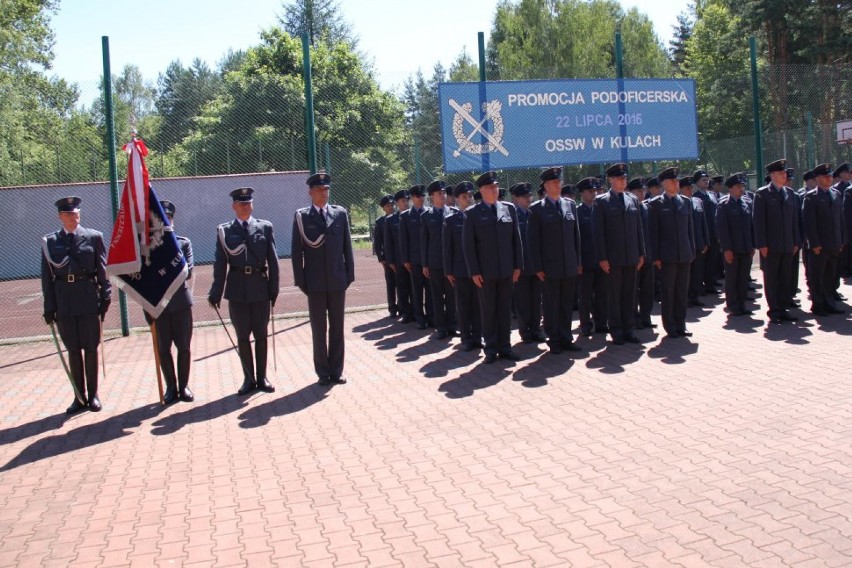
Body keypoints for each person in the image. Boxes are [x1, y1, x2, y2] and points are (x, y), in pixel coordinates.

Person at [41, 196, 111, 413]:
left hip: (88, 297)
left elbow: (102, 269)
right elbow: (47, 277)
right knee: (73, 350)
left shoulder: (93, 237)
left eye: (76, 212)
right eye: (69, 213)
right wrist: (49, 307)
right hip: (64, 301)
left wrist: (105, 295)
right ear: (61, 216)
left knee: (90, 348)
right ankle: (78, 397)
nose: (74, 216)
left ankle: (93, 396)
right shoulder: (50, 242)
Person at [208, 187, 279, 395]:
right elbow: (220, 265)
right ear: (233, 207)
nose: (245, 207)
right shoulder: (225, 231)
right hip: (237, 290)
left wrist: (273, 289)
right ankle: (248, 378)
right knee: (242, 336)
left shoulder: (264, 227)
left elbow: (273, 262)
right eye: (241, 204)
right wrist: (215, 291)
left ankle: (262, 377)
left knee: (261, 335)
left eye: (248, 203)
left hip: (260, 288)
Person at [292, 173, 355, 385]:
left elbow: (347, 246)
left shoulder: (339, 214)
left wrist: (349, 276)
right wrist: (301, 281)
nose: (323, 193)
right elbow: (296, 252)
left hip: (337, 281)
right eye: (319, 190)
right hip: (315, 283)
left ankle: (337, 370)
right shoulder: (302, 217)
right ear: (310, 193)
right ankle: (323, 372)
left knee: (337, 326)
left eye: (326, 189)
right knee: (319, 329)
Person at [463, 171, 523, 363]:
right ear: (481, 190)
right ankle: (490, 348)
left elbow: (516, 240)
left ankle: (505, 347)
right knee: (488, 310)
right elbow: (469, 246)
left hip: (506, 270)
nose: (495, 190)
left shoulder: (509, 209)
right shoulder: (472, 214)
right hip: (485, 272)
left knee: (504, 311)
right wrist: (474, 271)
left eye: (496, 186)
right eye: (490, 187)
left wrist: (517, 266)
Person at [528, 167, 582, 353]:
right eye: (553, 183)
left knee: (566, 304)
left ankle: (567, 337)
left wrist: (578, 261)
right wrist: (538, 267)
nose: (558, 185)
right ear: (545, 186)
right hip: (549, 267)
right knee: (551, 304)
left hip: (569, 264)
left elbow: (576, 236)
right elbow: (533, 242)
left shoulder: (570, 205)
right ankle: (554, 339)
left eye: (559, 182)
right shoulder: (537, 209)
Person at [146, 200, 194, 403]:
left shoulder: (183, 243)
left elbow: (188, 271)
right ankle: (171, 388)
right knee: (163, 349)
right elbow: (144, 279)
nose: (166, 222)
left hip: (180, 303)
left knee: (184, 347)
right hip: (159, 306)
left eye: (169, 218)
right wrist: (146, 307)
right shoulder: (147, 247)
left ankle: (184, 387)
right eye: (162, 219)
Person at [592, 163, 645, 345]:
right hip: (613, 258)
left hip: (631, 256)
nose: (624, 181)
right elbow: (598, 233)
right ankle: (616, 330)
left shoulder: (632, 200)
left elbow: (638, 229)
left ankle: (629, 329)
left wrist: (641, 253)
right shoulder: (602, 201)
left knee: (629, 294)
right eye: (620, 178)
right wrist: (602, 258)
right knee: (615, 295)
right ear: (611, 180)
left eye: (625, 178)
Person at [752, 159, 801, 324]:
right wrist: (762, 244)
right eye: (780, 173)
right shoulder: (762, 194)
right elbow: (758, 221)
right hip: (771, 246)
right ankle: (774, 310)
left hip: (787, 244)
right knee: (772, 279)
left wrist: (796, 241)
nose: (784, 175)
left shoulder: (789, 194)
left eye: (784, 172)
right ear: (772, 175)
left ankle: (783, 308)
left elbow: (794, 220)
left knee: (785, 278)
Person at [648, 168, 695, 338]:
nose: (677, 183)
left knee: (682, 291)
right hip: (666, 256)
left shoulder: (686, 202)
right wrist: (656, 257)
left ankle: (681, 323)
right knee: (668, 292)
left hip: (684, 254)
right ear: (664, 184)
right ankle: (670, 326)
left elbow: (690, 230)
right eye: (672, 181)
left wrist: (691, 251)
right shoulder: (655, 204)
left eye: (677, 180)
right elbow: (653, 233)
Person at [803, 163, 846, 316]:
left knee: (830, 276)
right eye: (825, 176)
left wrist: (841, 240)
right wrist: (814, 243)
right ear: (818, 178)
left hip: (834, 243)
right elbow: (809, 223)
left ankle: (829, 303)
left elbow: (840, 220)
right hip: (819, 245)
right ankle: (818, 304)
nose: (829, 179)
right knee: (817, 276)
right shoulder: (811, 197)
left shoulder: (836, 194)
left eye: (830, 176)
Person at [443, 182, 482, 351]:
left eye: (470, 196)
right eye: (464, 196)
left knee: (478, 305)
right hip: (460, 270)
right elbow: (447, 248)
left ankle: (478, 336)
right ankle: (466, 337)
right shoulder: (451, 220)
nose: (468, 199)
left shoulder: (479, 216)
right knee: (463, 305)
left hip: (479, 270)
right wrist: (449, 270)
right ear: (457, 199)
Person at [421, 180, 457, 339]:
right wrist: (425, 264)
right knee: (436, 296)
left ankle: (452, 326)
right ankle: (441, 327)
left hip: (451, 263)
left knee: (451, 296)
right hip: (435, 263)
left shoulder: (454, 213)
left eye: (444, 193)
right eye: (439, 193)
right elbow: (424, 241)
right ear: (432, 196)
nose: (443, 195)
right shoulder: (426, 216)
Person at [715, 174, 755, 316]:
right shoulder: (724, 204)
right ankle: (733, 305)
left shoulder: (746, 203)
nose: (741, 189)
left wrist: (752, 246)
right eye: (738, 186)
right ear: (730, 188)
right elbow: (722, 229)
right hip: (732, 249)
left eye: (742, 186)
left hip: (745, 247)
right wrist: (726, 249)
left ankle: (741, 304)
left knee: (743, 278)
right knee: (732, 278)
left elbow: (751, 227)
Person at [510, 181, 545, 343]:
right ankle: (525, 332)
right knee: (523, 301)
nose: (529, 199)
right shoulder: (512, 216)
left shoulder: (535, 213)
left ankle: (536, 329)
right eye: (525, 197)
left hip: (536, 265)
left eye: (530, 196)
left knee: (536, 300)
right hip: (521, 267)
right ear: (516, 199)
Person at [576, 177, 607, 336]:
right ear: (582, 193)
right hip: (585, 261)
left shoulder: (601, 209)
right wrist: (578, 261)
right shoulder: (577, 211)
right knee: (585, 296)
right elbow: (575, 239)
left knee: (602, 294)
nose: (594, 194)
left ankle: (601, 323)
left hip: (601, 260)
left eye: (595, 191)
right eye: (590, 191)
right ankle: (585, 325)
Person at [400, 185, 431, 329]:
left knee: (431, 290)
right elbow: (403, 240)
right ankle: (420, 319)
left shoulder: (430, 213)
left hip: (430, 259)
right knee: (417, 291)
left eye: (423, 195)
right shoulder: (405, 216)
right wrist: (405, 259)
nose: (421, 198)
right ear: (412, 198)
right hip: (415, 260)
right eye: (418, 196)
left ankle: (431, 317)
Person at [629, 177, 655, 330]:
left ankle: (646, 316)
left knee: (647, 289)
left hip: (648, 255)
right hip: (635, 256)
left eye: (643, 190)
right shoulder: (628, 209)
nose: (642, 193)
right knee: (633, 290)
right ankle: (634, 318)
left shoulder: (647, 208)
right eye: (639, 190)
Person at [681, 177, 710, 308]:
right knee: (686, 275)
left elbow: (704, 223)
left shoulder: (698, 201)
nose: (690, 190)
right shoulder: (679, 202)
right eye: (687, 188)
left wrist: (705, 241)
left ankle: (695, 296)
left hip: (698, 244)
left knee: (697, 273)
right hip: (685, 245)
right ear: (681, 189)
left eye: (691, 187)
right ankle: (685, 298)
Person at [384, 189, 412, 322]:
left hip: (413, 259)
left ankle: (416, 312)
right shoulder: (391, 220)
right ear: (397, 203)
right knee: (402, 287)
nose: (405, 203)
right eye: (403, 201)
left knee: (414, 288)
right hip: (399, 260)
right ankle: (405, 312)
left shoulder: (415, 216)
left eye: (407, 200)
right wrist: (390, 261)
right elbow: (388, 242)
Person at [692, 170, 720, 295]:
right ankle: (700, 286)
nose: (706, 181)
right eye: (703, 180)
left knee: (712, 260)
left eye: (707, 179)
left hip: (713, 233)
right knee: (701, 262)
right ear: (697, 183)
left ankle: (710, 283)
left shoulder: (712, 195)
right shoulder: (696, 197)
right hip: (704, 234)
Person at [373, 195, 397, 318]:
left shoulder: (399, 218)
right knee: (391, 283)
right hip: (387, 258)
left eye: (392, 205)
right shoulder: (380, 222)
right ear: (383, 208)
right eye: (388, 205)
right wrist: (381, 258)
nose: (391, 207)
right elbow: (377, 242)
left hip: (399, 257)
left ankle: (404, 307)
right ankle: (392, 307)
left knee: (403, 284)